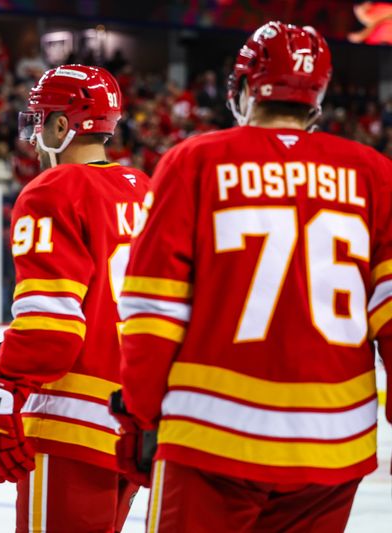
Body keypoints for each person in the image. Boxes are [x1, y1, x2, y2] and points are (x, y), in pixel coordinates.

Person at [113, 21, 392, 532]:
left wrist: (140, 414)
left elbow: (153, 309)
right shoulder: (374, 173)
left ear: (243, 87)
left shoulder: (193, 161)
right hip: (334, 445)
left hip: (211, 436)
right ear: (318, 95)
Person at [0, 65, 150, 532]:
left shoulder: (52, 190)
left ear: (61, 126)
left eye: (40, 119)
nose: (34, 132)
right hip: (134, 423)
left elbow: (51, 326)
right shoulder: (145, 189)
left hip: (72, 422)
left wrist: (3, 385)